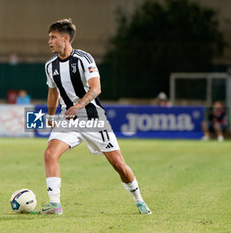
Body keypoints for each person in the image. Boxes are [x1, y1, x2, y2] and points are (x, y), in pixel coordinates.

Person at [37, 19, 151, 215]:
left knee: (119, 165)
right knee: (50, 154)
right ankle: (55, 204)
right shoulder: (50, 66)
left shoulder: (84, 59)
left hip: (92, 117)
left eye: (52, 37)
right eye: (49, 37)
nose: (49, 41)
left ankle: (139, 200)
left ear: (65, 39)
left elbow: (96, 88)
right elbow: (53, 92)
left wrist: (78, 106)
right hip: (68, 120)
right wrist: (50, 114)